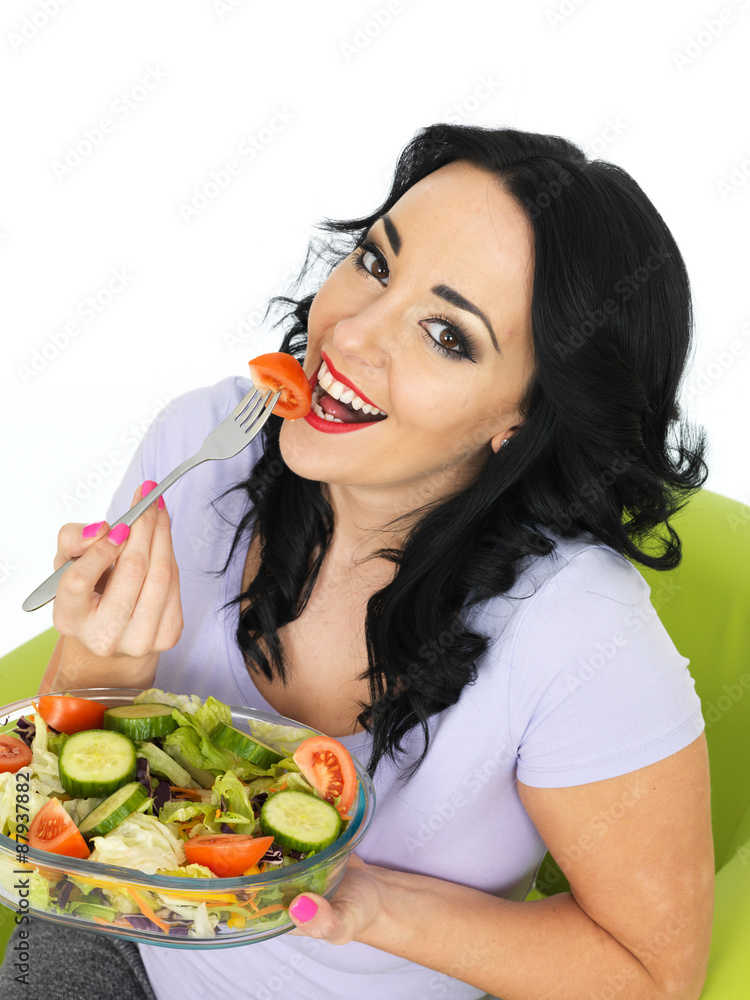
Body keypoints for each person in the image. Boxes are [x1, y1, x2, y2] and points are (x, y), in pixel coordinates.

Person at [1, 123, 714, 1000]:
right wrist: (99, 667)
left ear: (524, 416)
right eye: (376, 262)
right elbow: (66, 817)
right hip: (131, 946)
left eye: (446, 333)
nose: (351, 334)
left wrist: (366, 903)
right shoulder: (202, 447)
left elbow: (653, 973)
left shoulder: (577, 628)